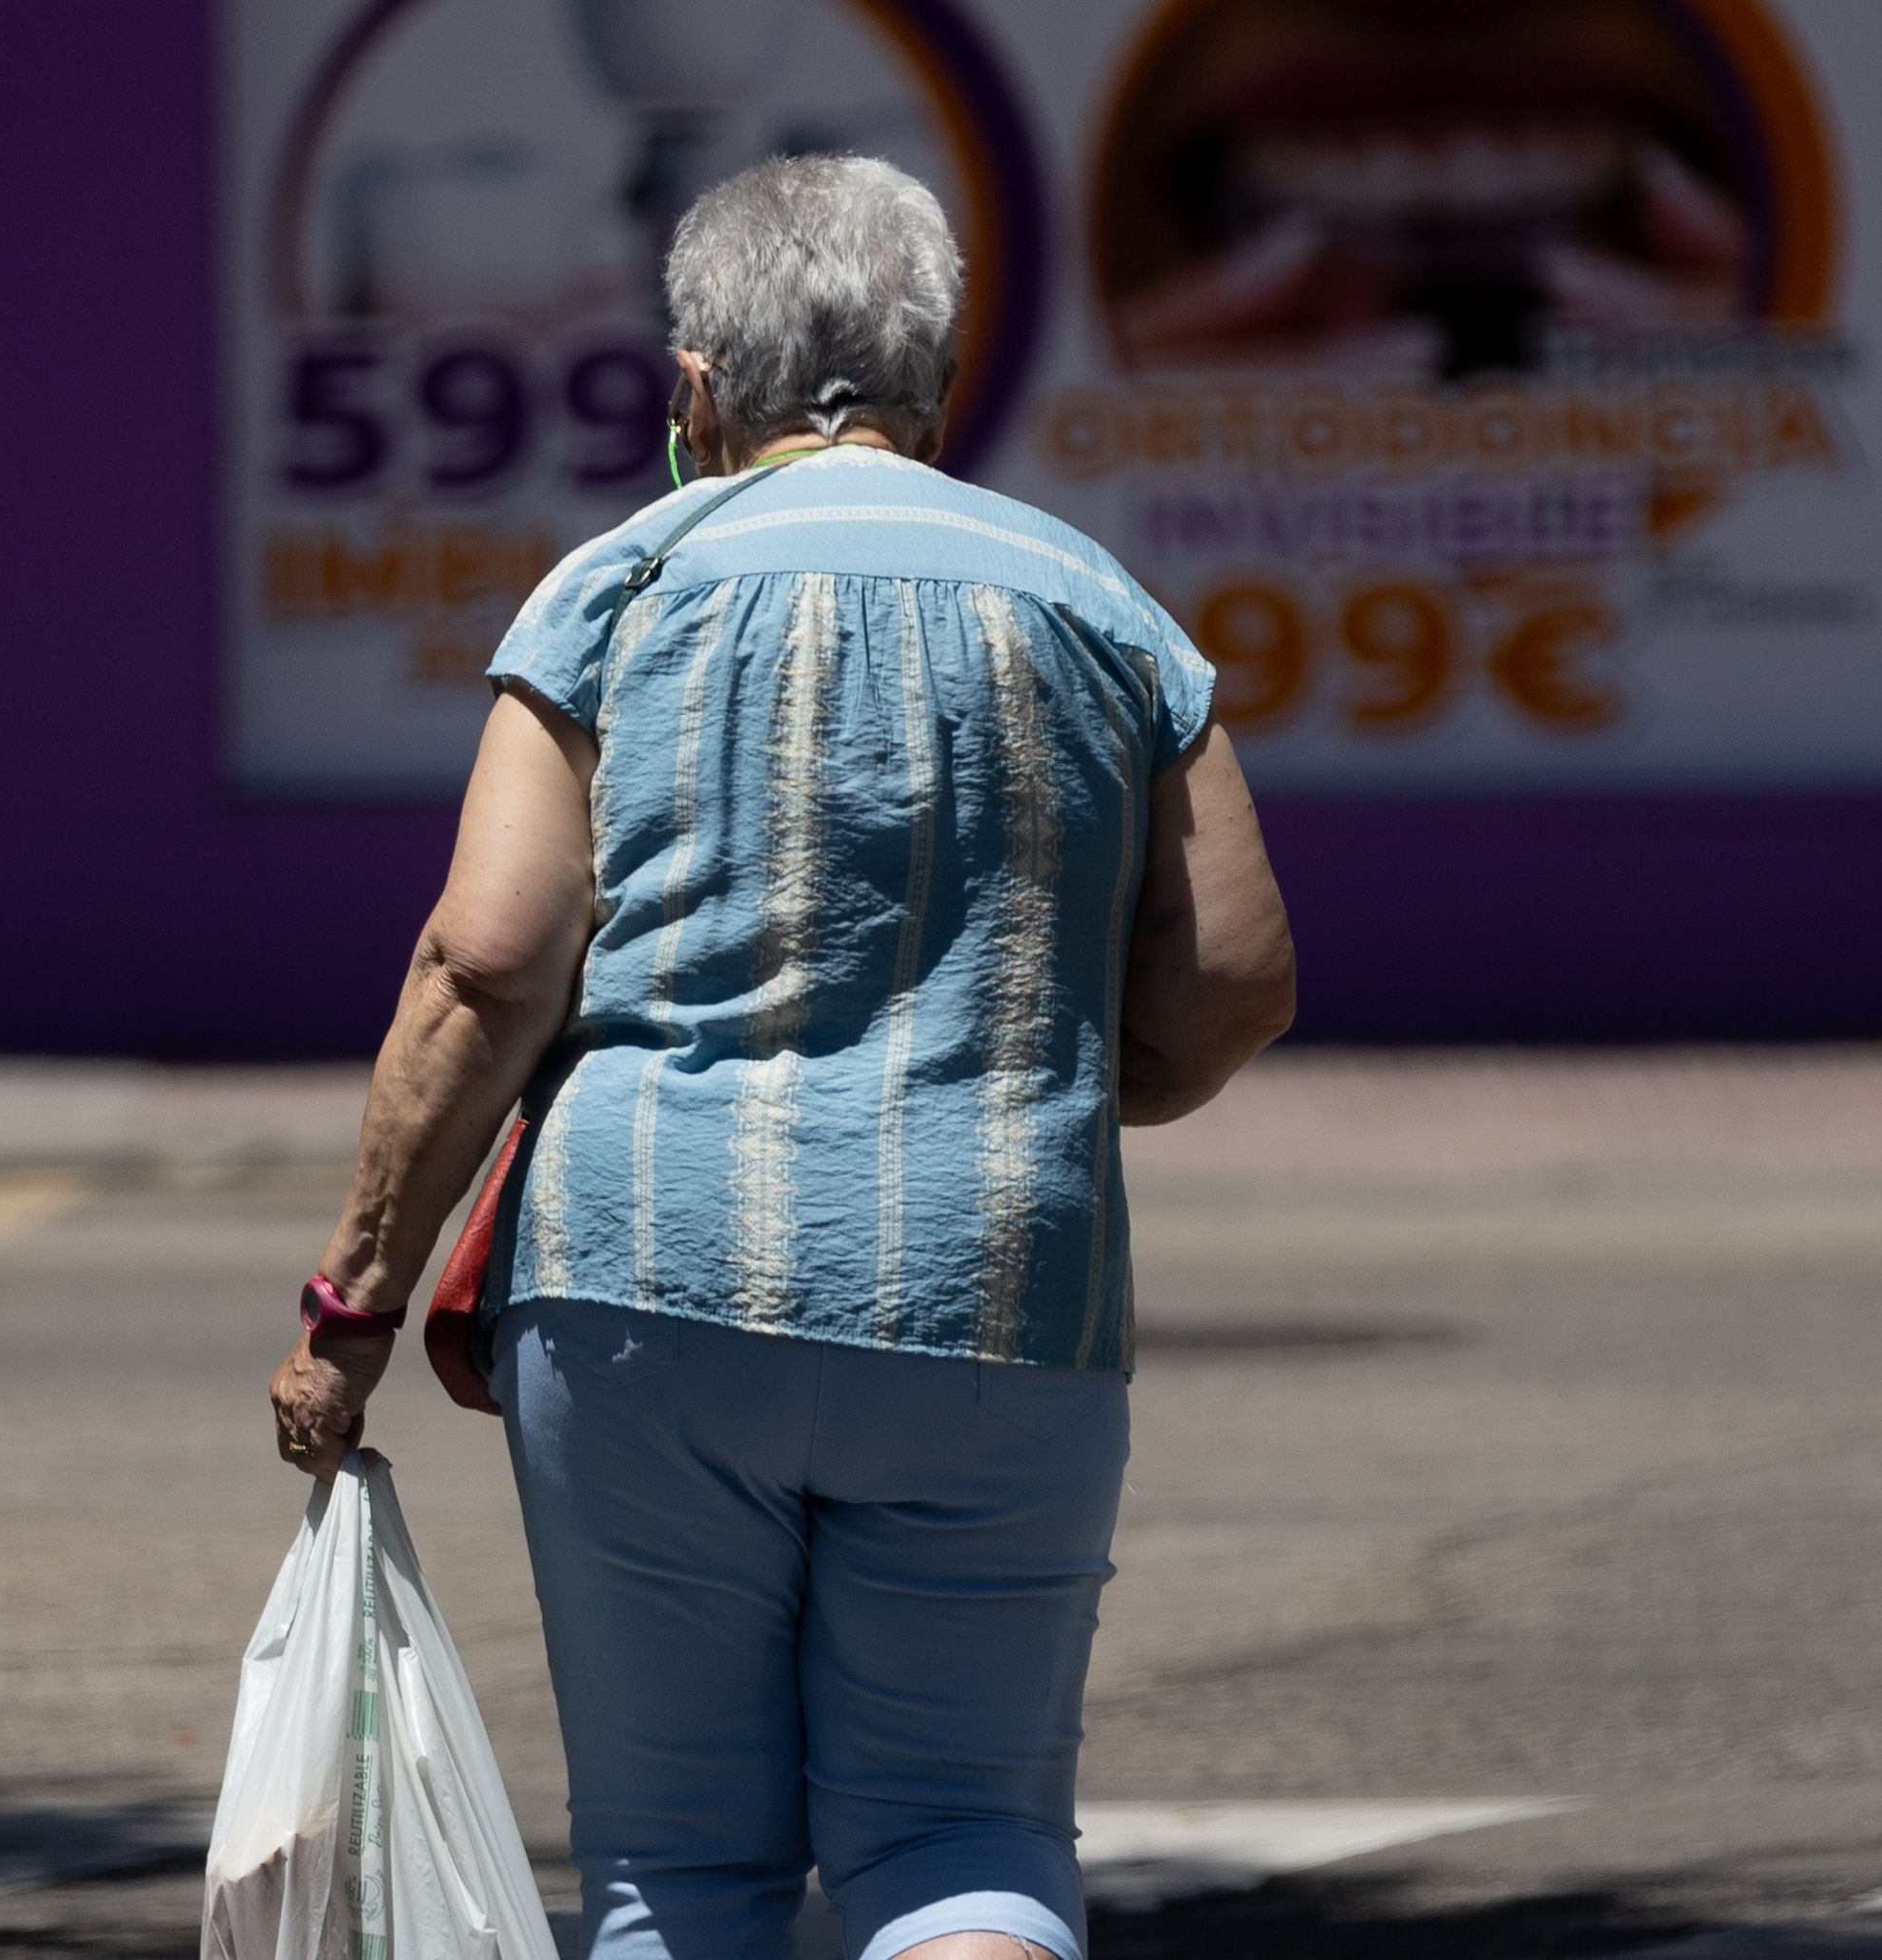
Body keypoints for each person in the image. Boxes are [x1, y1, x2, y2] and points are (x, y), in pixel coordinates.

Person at [268, 154, 1296, 1960]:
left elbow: (485, 962)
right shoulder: (1101, 606)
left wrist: (352, 1302)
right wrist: (1047, 1080)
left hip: (644, 1289)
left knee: (683, 1868)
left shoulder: (614, 592)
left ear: (694, 391)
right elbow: (1236, 982)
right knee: (965, 1833)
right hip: (1000, 1287)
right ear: (940, 383)